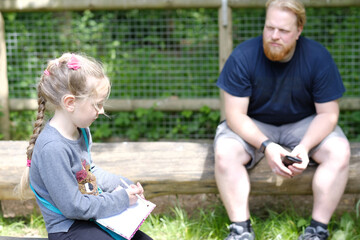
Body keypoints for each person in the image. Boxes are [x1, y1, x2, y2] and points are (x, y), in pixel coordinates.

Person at [214, 0, 350, 239]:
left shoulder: (318, 58)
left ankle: (317, 230)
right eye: (269, 28)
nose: (274, 36)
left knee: (339, 150)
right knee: (225, 151)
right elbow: (235, 115)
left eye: (284, 31)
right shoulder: (243, 56)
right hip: (253, 123)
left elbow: (328, 114)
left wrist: (304, 147)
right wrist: (267, 146)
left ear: (299, 31)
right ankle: (240, 230)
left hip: (304, 125)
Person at [18, 53, 152, 240]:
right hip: (67, 229)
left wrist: (123, 184)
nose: (102, 110)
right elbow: (74, 206)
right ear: (70, 103)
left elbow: (89, 172)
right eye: (97, 105)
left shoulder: (82, 131)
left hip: (89, 219)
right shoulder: (52, 148)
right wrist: (121, 200)